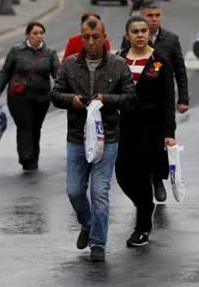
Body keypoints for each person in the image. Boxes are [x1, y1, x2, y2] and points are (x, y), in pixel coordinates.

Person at [51, 17, 136, 262]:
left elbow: (130, 98)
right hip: (77, 137)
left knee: (100, 192)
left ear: (104, 37)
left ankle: (98, 243)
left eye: (96, 37)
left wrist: (106, 99)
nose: (91, 42)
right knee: (74, 190)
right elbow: (55, 94)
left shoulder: (118, 65)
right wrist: (72, 100)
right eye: (86, 37)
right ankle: (87, 224)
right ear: (81, 37)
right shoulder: (69, 65)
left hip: (107, 138)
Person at [116, 15, 177, 248]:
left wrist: (169, 132)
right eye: (135, 31)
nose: (140, 35)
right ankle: (145, 205)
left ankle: (142, 228)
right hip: (124, 126)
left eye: (144, 31)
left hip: (150, 128)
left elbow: (167, 99)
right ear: (127, 35)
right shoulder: (119, 59)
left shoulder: (159, 61)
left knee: (141, 175)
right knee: (122, 173)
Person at [119, 0, 190, 202]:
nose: (154, 19)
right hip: (131, 113)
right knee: (133, 159)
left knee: (156, 152)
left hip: (156, 110)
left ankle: (157, 181)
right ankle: (142, 190)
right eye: (150, 16)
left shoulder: (170, 41)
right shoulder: (126, 49)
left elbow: (179, 72)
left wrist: (183, 98)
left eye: (157, 15)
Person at [0, 21, 61, 171]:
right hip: (19, 97)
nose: (39, 36)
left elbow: (58, 75)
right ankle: (25, 156)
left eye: (41, 33)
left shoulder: (50, 53)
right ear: (27, 35)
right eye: (35, 33)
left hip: (42, 98)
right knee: (25, 126)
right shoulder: (16, 51)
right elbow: (5, 71)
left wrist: (65, 89)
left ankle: (33, 158)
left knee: (36, 127)